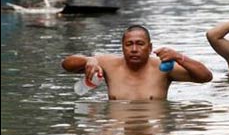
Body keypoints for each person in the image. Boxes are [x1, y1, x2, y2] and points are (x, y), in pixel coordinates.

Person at [62, 25, 212, 100]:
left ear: (150, 47)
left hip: (152, 131)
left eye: (140, 44)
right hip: (117, 129)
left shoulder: (162, 68)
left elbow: (205, 77)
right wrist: (88, 60)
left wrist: (180, 57)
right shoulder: (107, 63)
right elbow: (66, 65)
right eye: (129, 44)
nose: (134, 49)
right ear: (122, 47)